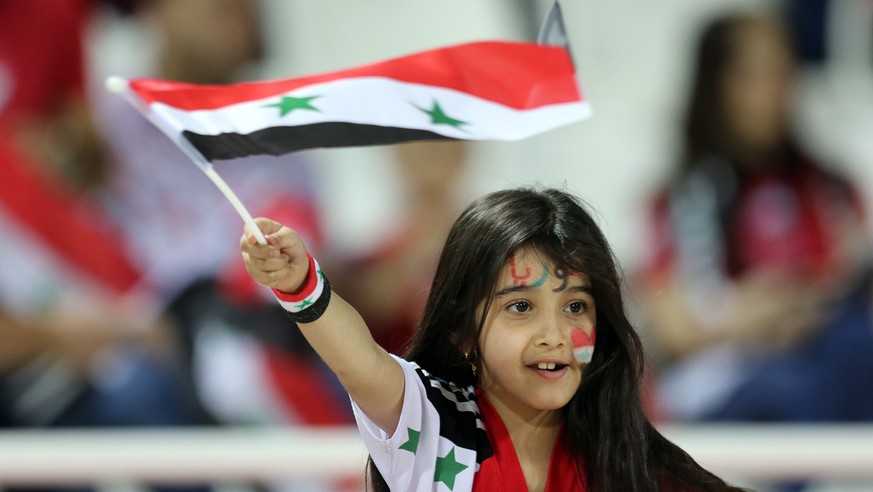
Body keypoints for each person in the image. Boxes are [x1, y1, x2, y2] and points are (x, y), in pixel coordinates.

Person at [240, 187, 746, 491]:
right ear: (462, 332)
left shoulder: (629, 461)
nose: (555, 335)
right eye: (521, 307)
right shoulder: (429, 423)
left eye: (575, 307)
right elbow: (359, 362)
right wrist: (300, 283)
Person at [637, 11, 873, 425]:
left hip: (824, 364)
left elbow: (852, 285)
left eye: (784, 73)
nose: (775, 91)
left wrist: (806, 309)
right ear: (717, 87)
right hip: (724, 382)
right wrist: (754, 316)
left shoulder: (829, 189)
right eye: (754, 76)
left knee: (854, 347)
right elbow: (670, 327)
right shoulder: (683, 195)